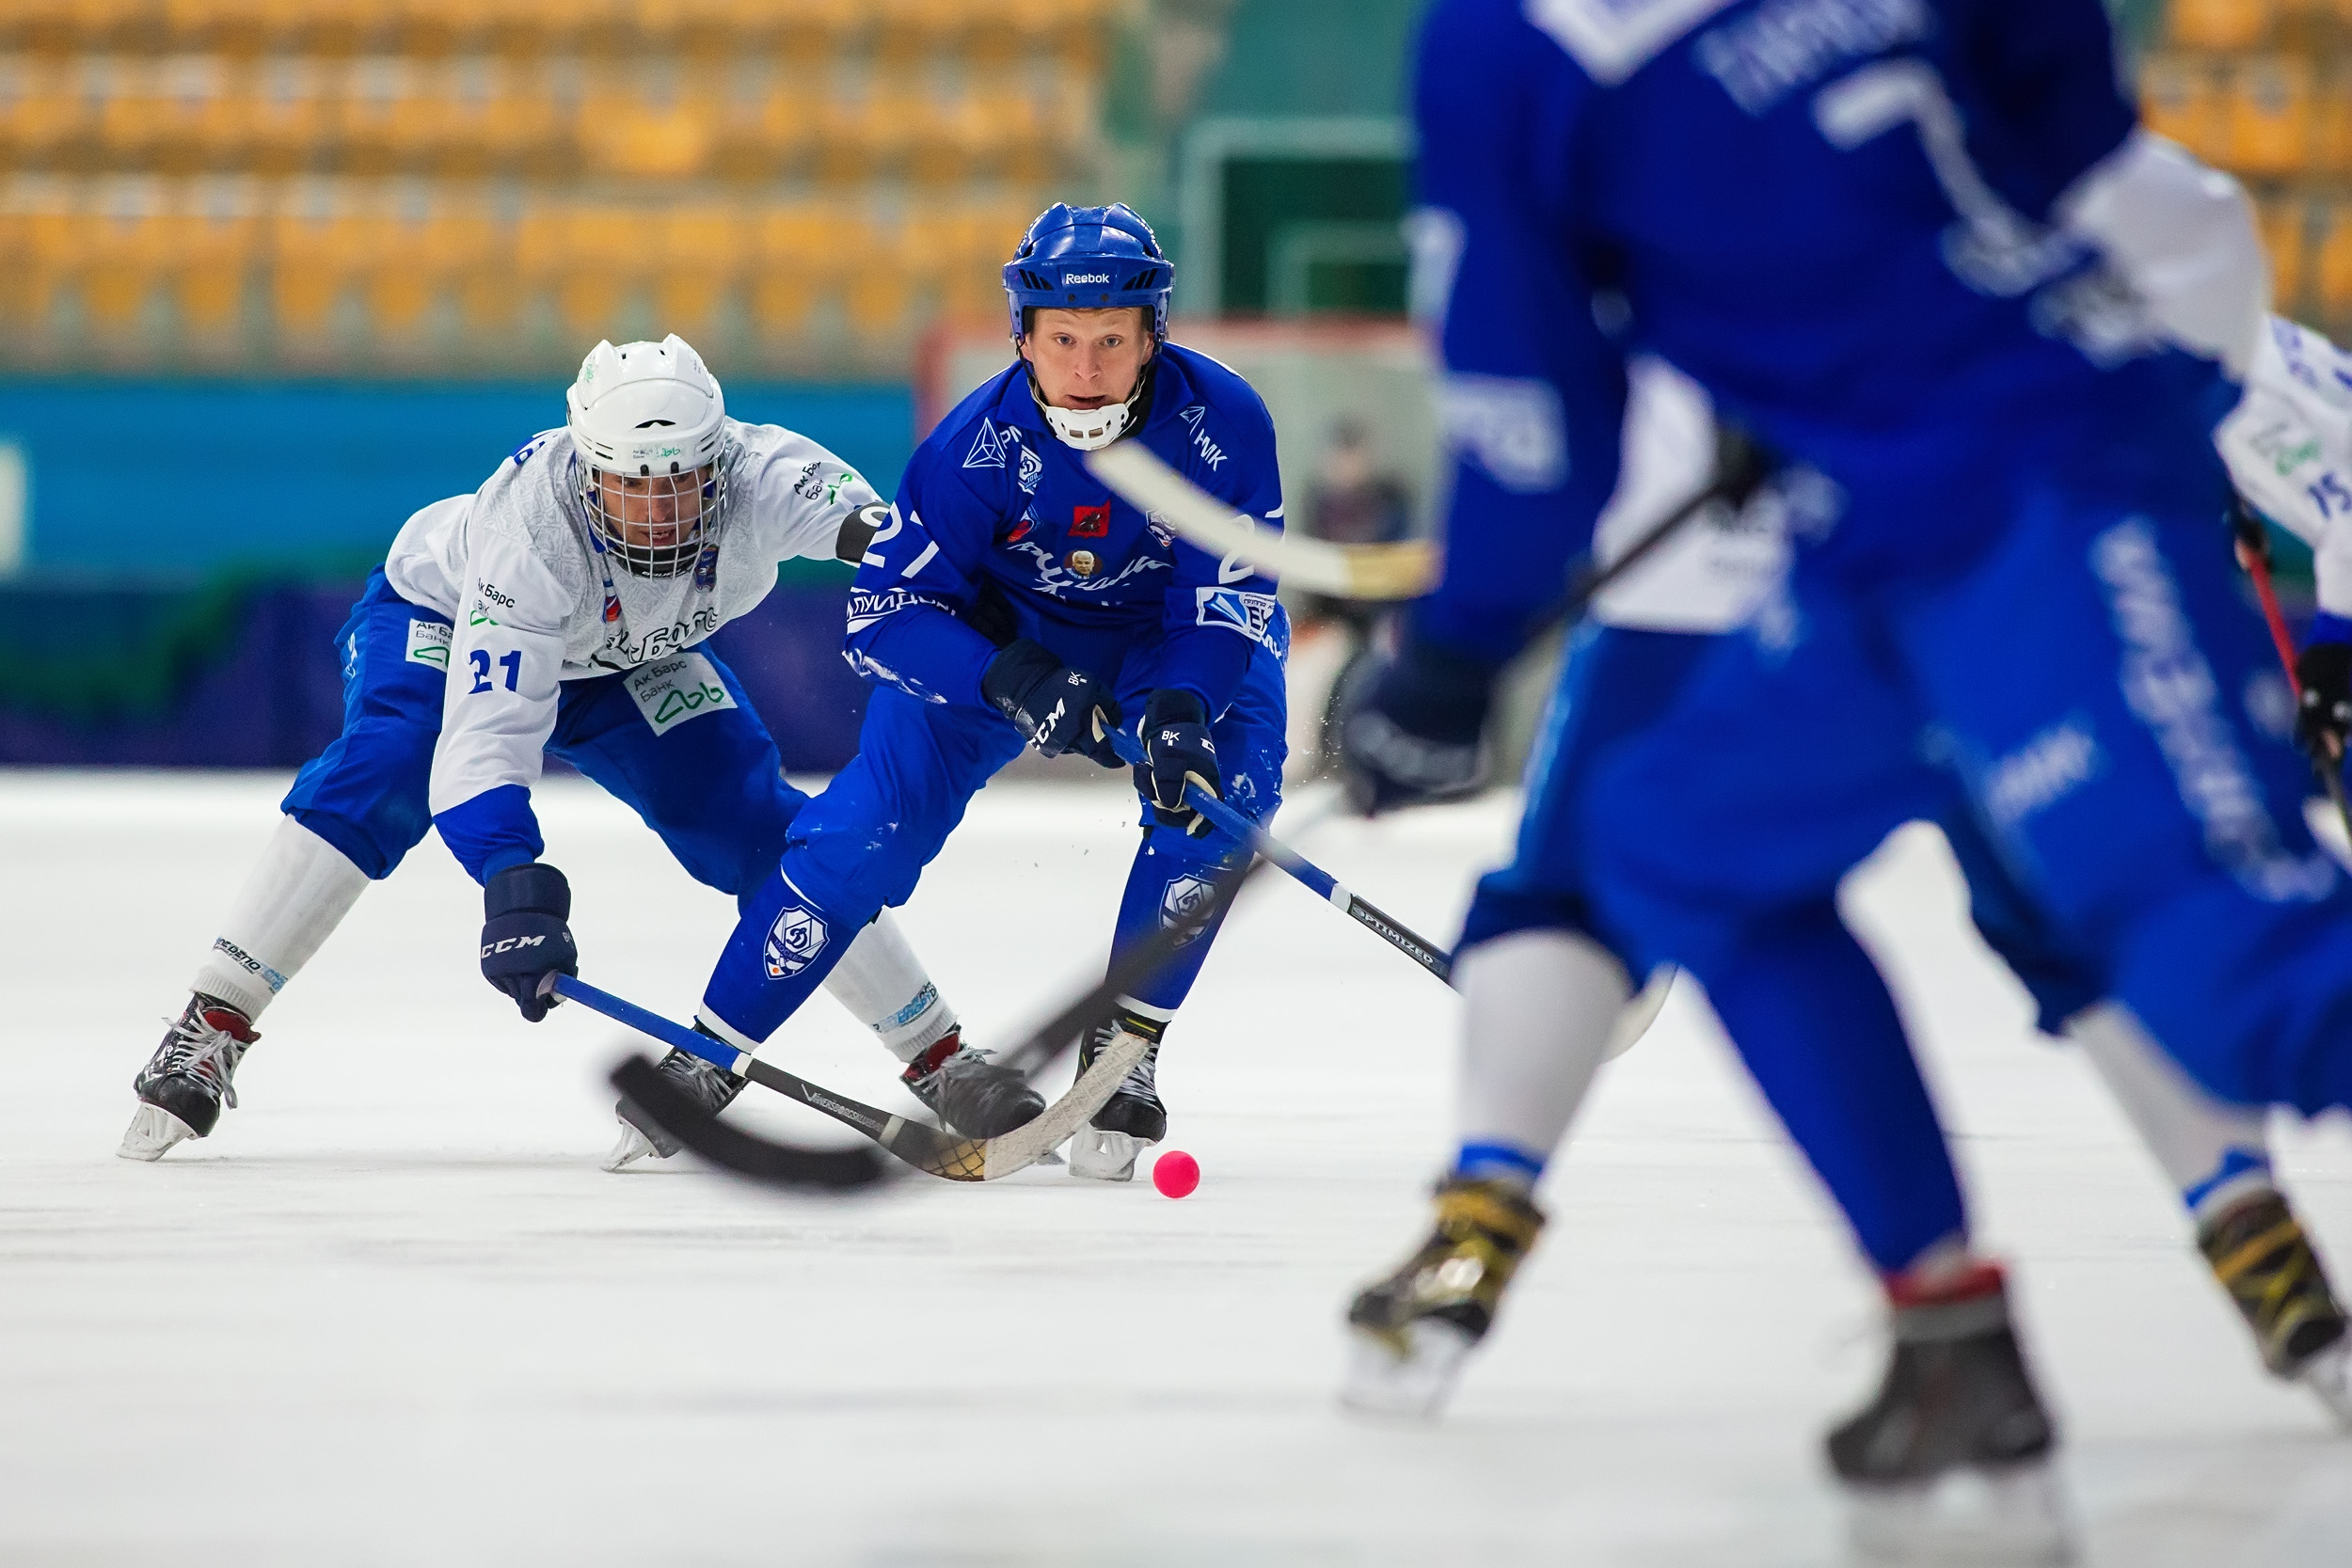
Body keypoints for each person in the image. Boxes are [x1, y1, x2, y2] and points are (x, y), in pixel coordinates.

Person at [1336, 0, 2352, 1547]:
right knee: (1678, 837)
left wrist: (1451, 655)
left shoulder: (1497, 45)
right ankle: (1948, 1340)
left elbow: (1540, 417)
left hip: (2039, 481)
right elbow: (2072, 113)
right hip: (1875, 530)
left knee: (2244, 975)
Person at [1343, 356, 2349, 1429]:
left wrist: (1459, 643)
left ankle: (1481, 1225)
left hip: (1869, 554)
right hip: (1929, 550)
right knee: (2055, 909)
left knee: (1604, 875)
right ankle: (2252, 1247)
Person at [122, 334, 1036, 1169]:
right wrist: (513, 882)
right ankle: (213, 1017)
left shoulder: (770, 473)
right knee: (389, 765)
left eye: (680, 480)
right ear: (586, 469)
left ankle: (940, 1056)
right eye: (630, 482)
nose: (656, 508)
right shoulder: (528, 537)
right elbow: (484, 742)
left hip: (631, 650)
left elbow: (892, 549)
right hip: (444, 616)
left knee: (753, 824)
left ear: (723, 463)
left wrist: (997, 607)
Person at [672, 202, 1289, 1182]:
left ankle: (1123, 1055)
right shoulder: (969, 450)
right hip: (999, 647)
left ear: (1152, 335)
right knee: (856, 836)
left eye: (1111, 343)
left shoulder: (1225, 423)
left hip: (1167, 640)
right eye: (1063, 342)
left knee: (1222, 801)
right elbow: (885, 614)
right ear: (1024, 338)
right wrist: (1013, 676)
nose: (1085, 370)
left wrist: (1180, 707)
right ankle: (706, 1055)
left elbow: (1223, 596)